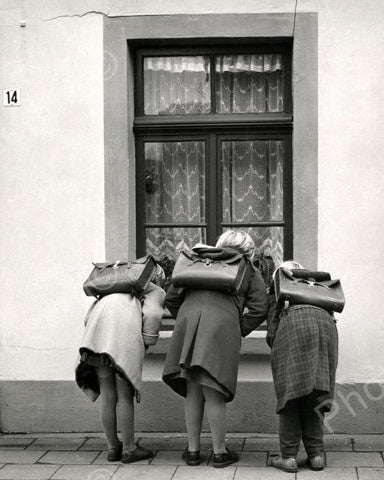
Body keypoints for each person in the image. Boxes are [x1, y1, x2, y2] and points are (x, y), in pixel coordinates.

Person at [162, 230, 269, 468]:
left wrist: (186, 323)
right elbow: (260, 307)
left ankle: (192, 452)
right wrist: (238, 328)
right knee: (213, 390)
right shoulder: (247, 268)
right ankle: (220, 453)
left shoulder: (197, 261)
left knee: (193, 390)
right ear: (247, 251)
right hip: (222, 327)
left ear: (220, 244)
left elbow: (171, 298)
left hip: (189, 324)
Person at [75, 265, 166, 463]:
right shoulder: (152, 289)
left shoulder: (108, 291)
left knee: (108, 395)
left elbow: (88, 319)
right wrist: (147, 342)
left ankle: (112, 448)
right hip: (122, 344)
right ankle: (129, 449)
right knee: (125, 395)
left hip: (96, 342)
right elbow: (153, 315)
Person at [267, 261, 339, 473]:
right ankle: (316, 455)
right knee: (316, 395)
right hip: (327, 330)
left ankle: (288, 457)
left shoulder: (281, 288)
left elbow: (272, 331)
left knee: (291, 396)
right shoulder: (317, 288)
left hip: (295, 328)